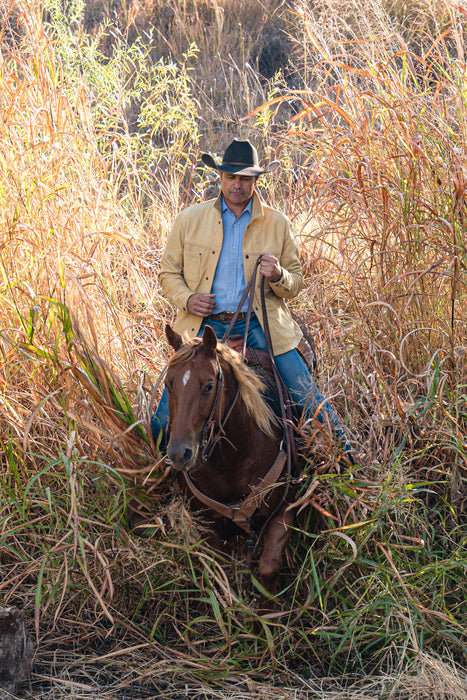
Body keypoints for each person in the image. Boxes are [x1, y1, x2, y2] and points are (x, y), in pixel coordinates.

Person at [152, 138, 353, 461]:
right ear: (220, 177)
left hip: (261, 324)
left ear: (255, 181)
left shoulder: (278, 223)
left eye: (245, 178)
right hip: (201, 328)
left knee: (308, 398)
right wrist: (188, 300)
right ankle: (164, 486)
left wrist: (277, 276)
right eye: (231, 177)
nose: (237, 185)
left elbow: (296, 282)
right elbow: (167, 273)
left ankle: (346, 464)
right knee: (162, 420)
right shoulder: (189, 220)